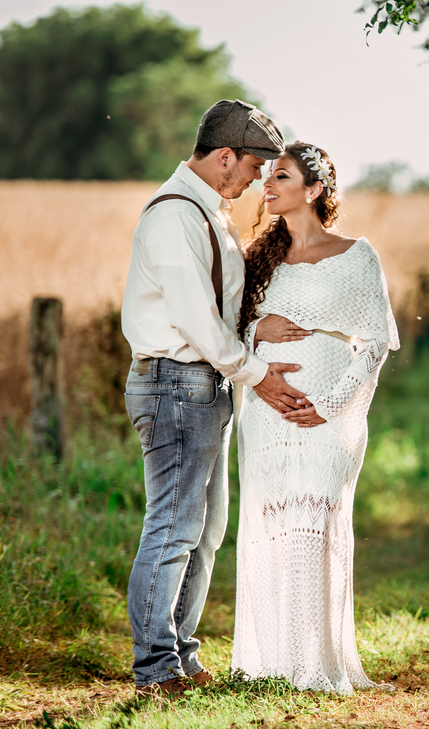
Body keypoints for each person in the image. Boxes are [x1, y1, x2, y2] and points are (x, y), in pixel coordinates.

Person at [122, 100, 309, 697]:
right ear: (224, 156)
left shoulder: (211, 211)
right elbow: (198, 326)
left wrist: (252, 344)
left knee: (206, 531)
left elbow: (221, 320)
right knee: (174, 527)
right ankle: (154, 669)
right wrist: (258, 373)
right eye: (253, 166)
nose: (257, 179)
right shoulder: (175, 216)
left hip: (205, 384)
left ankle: (180, 651)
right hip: (176, 384)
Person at [230, 142, 400, 695]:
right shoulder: (258, 259)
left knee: (316, 523)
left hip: (328, 415)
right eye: (268, 177)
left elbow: (374, 344)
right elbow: (221, 331)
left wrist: (328, 405)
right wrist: (258, 333)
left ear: (316, 189)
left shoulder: (356, 255)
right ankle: (277, 665)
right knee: (276, 526)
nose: (268, 186)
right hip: (266, 410)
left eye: (280, 177)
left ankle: (316, 666)